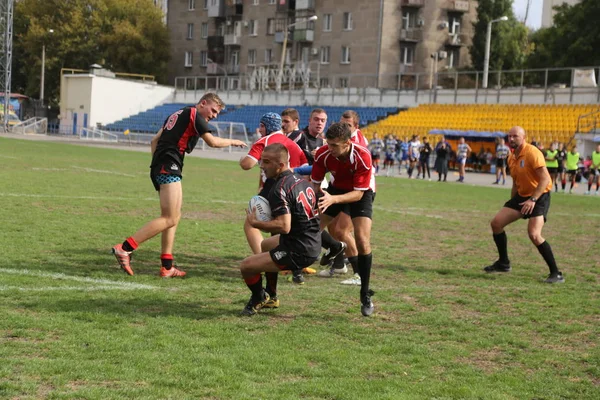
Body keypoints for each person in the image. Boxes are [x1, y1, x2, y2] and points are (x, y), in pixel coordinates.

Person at [111, 93, 247, 277]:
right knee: (169, 218)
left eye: (217, 113)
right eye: (213, 110)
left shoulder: (177, 114)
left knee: (173, 216)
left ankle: (167, 267)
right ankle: (125, 248)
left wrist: (157, 165)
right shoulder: (193, 114)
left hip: (162, 166)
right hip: (169, 167)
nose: (214, 115)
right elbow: (213, 142)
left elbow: (155, 140)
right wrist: (233, 141)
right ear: (203, 103)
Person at [239, 144, 321, 315]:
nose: (261, 165)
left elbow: (284, 226)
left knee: (246, 266)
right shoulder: (302, 181)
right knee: (266, 245)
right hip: (310, 240)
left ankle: (259, 297)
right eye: (262, 160)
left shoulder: (279, 188)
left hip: (299, 249)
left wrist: (257, 224)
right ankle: (272, 295)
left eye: (267, 162)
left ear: (281, 165)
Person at [311, 122, 376, 316]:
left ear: (347, 143)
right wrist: (319, 198)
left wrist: (333, 199)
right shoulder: (323, 154)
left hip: (360, 194)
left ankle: (365, 294)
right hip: (336, 190)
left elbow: (357, 194)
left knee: (363, 241)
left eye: (334, 146)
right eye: (328, 144)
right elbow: (315, 185)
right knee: (311, 227)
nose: (329, 149)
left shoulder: (363, 156)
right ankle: (332, 248)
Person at [484, 126, 564, 283]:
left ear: (524, 137)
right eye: (509, 136)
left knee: (534, 234)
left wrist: (533, 200)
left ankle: (556, 273)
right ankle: (503, 263)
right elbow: (516, 182)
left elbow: (546, 179)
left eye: (515, 136)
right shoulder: (511, 157)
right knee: (496, 223)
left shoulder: (532, 153)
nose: (512, 139)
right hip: (522, 196)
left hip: (539, 196)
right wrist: (512, 203)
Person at [239, 112, 310, 284]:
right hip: (293, 187)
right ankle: (282, 267)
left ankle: (261, 262)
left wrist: (242, 158)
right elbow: (305, 167)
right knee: (280, 230)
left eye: (261, 126)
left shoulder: (264, 141)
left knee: (252, 223)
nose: (260, 129)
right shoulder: (292, 144)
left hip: (275, 188)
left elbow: (247, 164)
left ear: (265, 126)